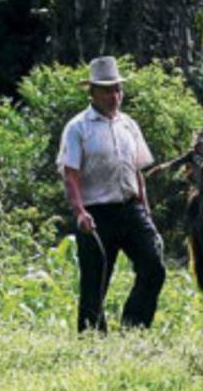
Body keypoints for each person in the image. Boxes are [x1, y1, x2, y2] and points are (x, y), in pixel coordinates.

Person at [57, 56, 166, 332]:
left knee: (154, 268)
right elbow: (70, 174)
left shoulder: (129, 125)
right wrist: (79, 212)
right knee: (95, 281)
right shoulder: (78, 127)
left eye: (117, 89)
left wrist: (146, 209)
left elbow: (137, 171)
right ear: (92, 92)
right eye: (106, 90)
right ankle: (92, 336)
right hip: (96, 212)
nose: (113, 96)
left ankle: (134, 326)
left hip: (130, 208)